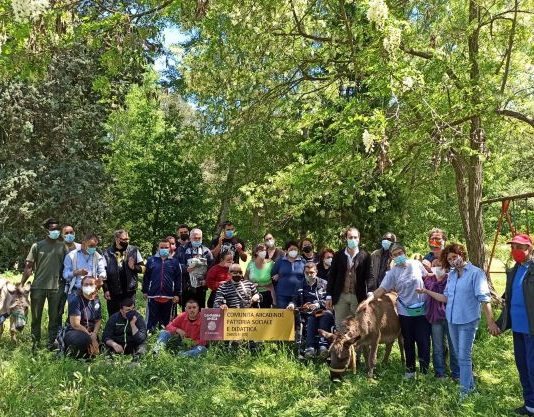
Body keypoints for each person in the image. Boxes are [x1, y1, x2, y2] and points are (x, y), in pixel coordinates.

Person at [418, 243, 499, 398]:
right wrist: (426, 291)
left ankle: (465, 392)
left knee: (464, 356)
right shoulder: (453, 275)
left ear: (462, 254)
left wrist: (490, 321)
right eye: (449, 259)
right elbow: (446, 298)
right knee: (459, 354)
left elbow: (484, 299)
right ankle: (470, 388)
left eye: (455, 257)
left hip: (468, 321)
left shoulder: (476, 273)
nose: (453, 261)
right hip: (452, 320)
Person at [362, 243, 430, 379]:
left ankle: (424, 372)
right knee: (408, 342)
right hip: (405, 311)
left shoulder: (416, 264)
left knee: (423, 341)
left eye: (400, 253)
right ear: (391, 257)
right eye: (395, 254)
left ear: (405, 252)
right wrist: (368, 299)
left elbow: (427, 277)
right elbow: (382, 289)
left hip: (422, 309)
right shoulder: (392, 273)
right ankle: (410, 371)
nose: (398, 256)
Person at [494, 234, 534, 415]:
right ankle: (530, 405)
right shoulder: (513, 271)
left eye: (520, 247)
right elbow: (509, 300)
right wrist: (500, 323)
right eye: (513, 247)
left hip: (531, 329)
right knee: (523, 367)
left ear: (530, 249)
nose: (516, 251)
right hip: (518, 328)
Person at [20, 218, 68, 349]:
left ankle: (52, 344)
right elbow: (28, 267)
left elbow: (67, 266)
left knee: (54, 319)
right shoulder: (37, 246)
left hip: (56, 288)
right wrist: (21, 284)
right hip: (38, 287)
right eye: (53, 229)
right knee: (36, 318)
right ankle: (35, 345)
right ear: (47, 230)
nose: (56, 231)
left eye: (57, 229)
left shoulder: (62, 246)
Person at [326, 228, 371, 331]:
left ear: (359, 239)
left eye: (355, 237)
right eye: (350, 237)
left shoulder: (366, 255)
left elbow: (370, 276)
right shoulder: (338, 255)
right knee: (341, 326)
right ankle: (343, 347)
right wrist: (329, 295)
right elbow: (332, 275)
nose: (353, 239)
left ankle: (358, 347)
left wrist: (370, 293)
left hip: (358, 296)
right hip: (340, 296)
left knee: (357, 326)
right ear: (346, 238)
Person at [287, 262, 334, 358]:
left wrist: (317, 304)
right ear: (304, 272)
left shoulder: (324, 284)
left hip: (322, 311)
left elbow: (329, 300)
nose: (309, 274)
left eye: (311, 272)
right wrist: (291, 305)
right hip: (306, 313)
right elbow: (294, 300)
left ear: (316, 272)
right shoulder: (300, 285)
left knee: (325, 315)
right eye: (307, 272)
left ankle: (322, 346)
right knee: (312, 317)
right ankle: (311, 348)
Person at [423, 261, 459, 379]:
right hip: (435, 318)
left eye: (441, 265)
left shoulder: (451, 279)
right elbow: (428, 287)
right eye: (435, 265)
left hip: (450, 317)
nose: (438, 267)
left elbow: (448, 296)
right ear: (431, 267)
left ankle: (456, 373)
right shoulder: (429, 280)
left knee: (453, 346)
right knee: (437, 346)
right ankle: (440, 373)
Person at [142, 238, 183, 332]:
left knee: (167, 323)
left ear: (170, 248)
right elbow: (146, 277)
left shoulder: (175, 262)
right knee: (151, 320)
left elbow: (178, 279)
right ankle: (148, 337)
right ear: (158, 248)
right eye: (162, 247)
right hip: (153, 295)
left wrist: (177, 294)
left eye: (166, 247)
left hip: (169, 296)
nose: (164, 249)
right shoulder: (151, 260)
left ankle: (165, 339)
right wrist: (145, 290)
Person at [102, 229, 145, 317]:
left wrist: (134, 267)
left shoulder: (134, 250)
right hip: (113, 291)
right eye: (124, 239)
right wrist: (105, 289)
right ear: (117, 239)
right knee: (114, 316)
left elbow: (144, 268)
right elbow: (103, 273)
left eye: (127, 239)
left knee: (129, 315)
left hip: (129, 290)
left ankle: (130, 330)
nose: (127, 241)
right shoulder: (107, 253)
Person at [63, 276, 101, 358]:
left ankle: (88, 356)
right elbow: (75, 324)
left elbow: (98, 320)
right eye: (86, 284)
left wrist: (94, 334)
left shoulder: (96, 300)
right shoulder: (76, 301)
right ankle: (74, 356)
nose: (88, 286)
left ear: (95, 286)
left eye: (91, 284)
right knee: (84, 339)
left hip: (90, 332)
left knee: (99, 345)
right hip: (75, 331)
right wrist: (91, 338)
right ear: (82, 286)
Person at [178, 228, 214, 309]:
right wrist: (185, 268)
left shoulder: (206, 251)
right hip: (186, 286)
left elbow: (211, 268)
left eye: (199, 238)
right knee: (186, 312)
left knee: (200, 310)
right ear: (190, 238)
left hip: (201, 287)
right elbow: (176, 265)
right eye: (195, 238)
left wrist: (206, 280)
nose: (197, 240)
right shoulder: (182, 250)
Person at [102, 298, 148, 362]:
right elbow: (106, 336)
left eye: (133, 308)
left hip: (133, 344)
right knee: (105, 347)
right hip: (118, 344)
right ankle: (111, 361)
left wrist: (133, 324)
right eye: (128, 310)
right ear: (121, 310)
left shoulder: (139, 318)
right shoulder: (114, 318)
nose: (131, 311)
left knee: (143, 346)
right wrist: (113, 344)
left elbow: (141, 338)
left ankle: (136, 362)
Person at [63, 233, 106, 297]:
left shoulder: (97, 256)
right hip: (75, 292)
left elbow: (102, 271)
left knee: (96, 307)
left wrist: (101, 278)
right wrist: (77, 272)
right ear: (83, 244)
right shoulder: (71, 256)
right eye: (91, 246)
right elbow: (65, 275)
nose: (93, 248)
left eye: (95, 246)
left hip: (93, 291)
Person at [271, 241, 306, 308]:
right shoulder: (280, 261)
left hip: (298, 294)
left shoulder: (302, 262)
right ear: (286, 251)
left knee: (297, 315)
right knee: (283, 316)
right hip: (282, 295)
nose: (293, 251)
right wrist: (277, 276)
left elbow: (306, 276)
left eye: (295, 249)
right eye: (291, 249)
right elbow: (273, 275)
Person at [58, 224, 82, 321]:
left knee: (75, 309)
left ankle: (71, 329)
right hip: (60, 282)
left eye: (71, 232)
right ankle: (58, 332)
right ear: (62, 235)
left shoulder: (80, 247)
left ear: (74, 233)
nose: (69, 234)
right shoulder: (58, 248)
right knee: (59, 308)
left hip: (76, 283)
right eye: (66, 233)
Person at [245, 244, 275, 308]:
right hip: (252, 294)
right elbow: (246, 277)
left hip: (267, 294)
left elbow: (276, 277)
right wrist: (250, 285)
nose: (263, 252)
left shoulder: (271, 264)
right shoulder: (251, 264)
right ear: (256, 252)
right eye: (261, 250)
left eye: (264, 250)